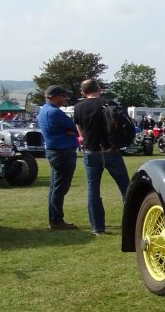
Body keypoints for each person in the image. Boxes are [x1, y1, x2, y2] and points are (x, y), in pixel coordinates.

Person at [73, 79, 132, 235]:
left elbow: (80, 130)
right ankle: (133, 222)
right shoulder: (108, 103)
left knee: (93, 190)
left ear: (82, 92)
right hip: (110, 150)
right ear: (99, 89)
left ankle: (98, 227)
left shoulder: (78, 107)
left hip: (91, 151)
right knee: (126, 187)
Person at [37, 85, 79, 230]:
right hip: (63, 153)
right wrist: (70, 132)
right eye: (63, 96)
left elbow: (71, 130)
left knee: (55, 187)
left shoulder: (43, 111)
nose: (64, 99)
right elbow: (73, 127)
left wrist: (70, 132)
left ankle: (54, 219)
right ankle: (57, 220)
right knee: (60, 189)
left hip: (55, 152)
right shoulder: (55, 113)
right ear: (55, 96)